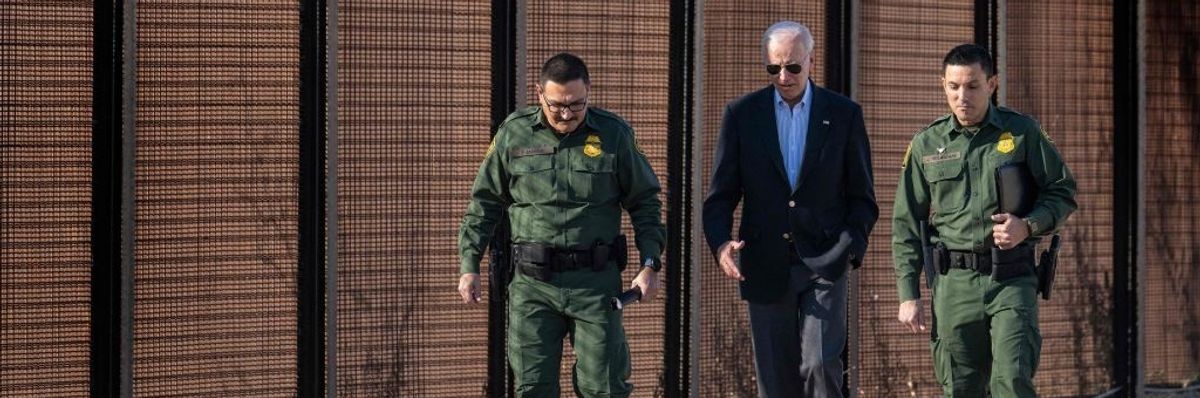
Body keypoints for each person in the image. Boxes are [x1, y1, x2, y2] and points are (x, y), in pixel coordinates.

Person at [457, 52, 665, 398]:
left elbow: (645, 202)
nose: (566, 114)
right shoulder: (514, 134)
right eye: (556, 106)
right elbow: (484, 203)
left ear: (589, 92)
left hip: (596, 285)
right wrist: (469, 265)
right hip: (533, 286)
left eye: (576, 105)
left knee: (605, 388)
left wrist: (650, 263)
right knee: (533, 387)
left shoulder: (614, 135)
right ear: (540, 94)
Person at [703, 20, 878, 397]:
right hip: (764, 262)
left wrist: (849, 247)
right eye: (774, 68)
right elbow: (720, 195)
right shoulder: (742, 115)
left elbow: (863, 197)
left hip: (825, 260)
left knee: (820, 366)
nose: (784, 76)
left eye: (793, 66)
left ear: (811, 60)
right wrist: (720, 246)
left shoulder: (844, 115)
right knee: (775, 380)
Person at [892, 43, 1077, 397]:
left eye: (973, 86)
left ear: (992, 84)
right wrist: (908, 293)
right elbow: (906, 224)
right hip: (953, 286)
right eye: (953, 86)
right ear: (943, 85)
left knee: (1011, 382)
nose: (962, 96)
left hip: (1011, 279)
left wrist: (1028, 226)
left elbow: (1062, 191)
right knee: (961, 387)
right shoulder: (926, 144)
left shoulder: (1023, 133)